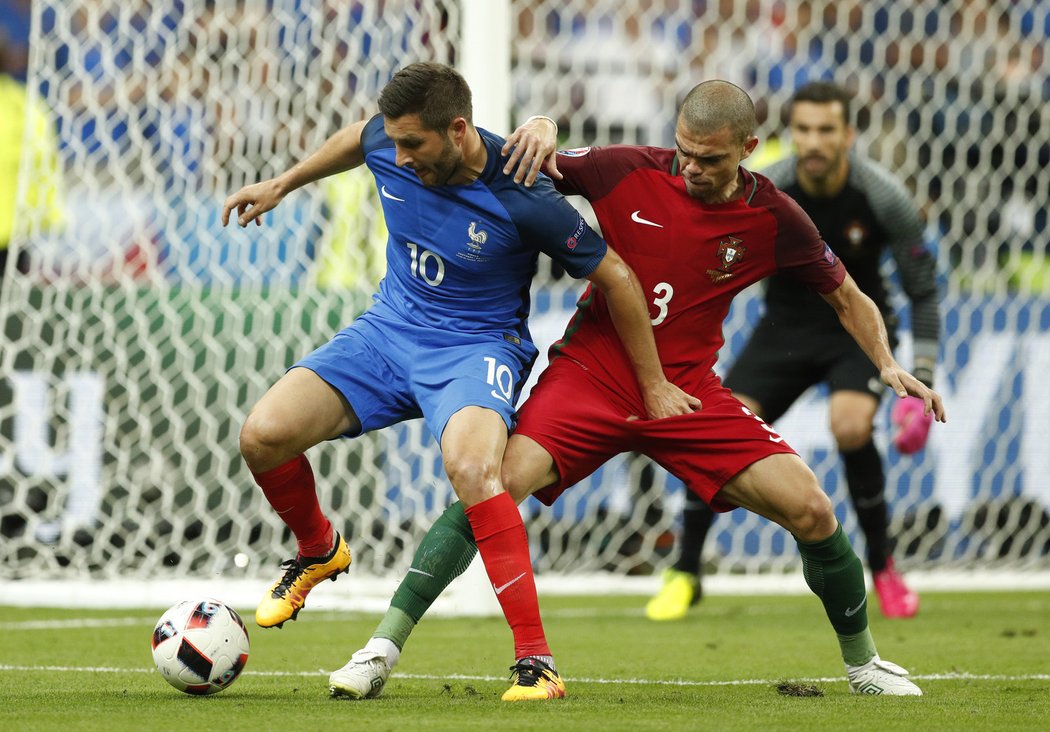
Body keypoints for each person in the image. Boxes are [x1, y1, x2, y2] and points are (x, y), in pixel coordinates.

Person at [329, 80, 945, 700]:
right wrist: (542, 122)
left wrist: (888, 363)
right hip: (590, 377)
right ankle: (380, 648)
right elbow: (507, 160)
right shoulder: (623, 170)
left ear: (749, 148)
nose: (693, 169)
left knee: (811, 509)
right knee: (491, 486)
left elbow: (845, 294)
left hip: (685, 393)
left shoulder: (773, 216)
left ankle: (863, 665)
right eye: (684, 152)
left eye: (711, 160)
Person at [220, 62, 697, 702]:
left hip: (476, 346)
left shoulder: (525, 194)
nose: (399, 155)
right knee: (262, 435)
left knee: (474, 471)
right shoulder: (392, 143)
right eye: (395, 142)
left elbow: (616, 277)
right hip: (387, 330)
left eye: (413, 144)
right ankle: (318, 549)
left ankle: (536, 662)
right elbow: (358, 138)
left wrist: (654, 382)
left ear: (458, 129)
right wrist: (284, 182)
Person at [646, 81, 939, 623]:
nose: (813, 141)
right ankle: (685, 570)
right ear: (783, 136)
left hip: (851, 330)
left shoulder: (883, 196)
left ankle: (883, 567)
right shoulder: (767, 188)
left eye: (826, 129)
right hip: (784, 328)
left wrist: (915, 371)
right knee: (713, 424)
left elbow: (922, 288)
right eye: (802, 129)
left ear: (848, 135)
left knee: (850, 426)